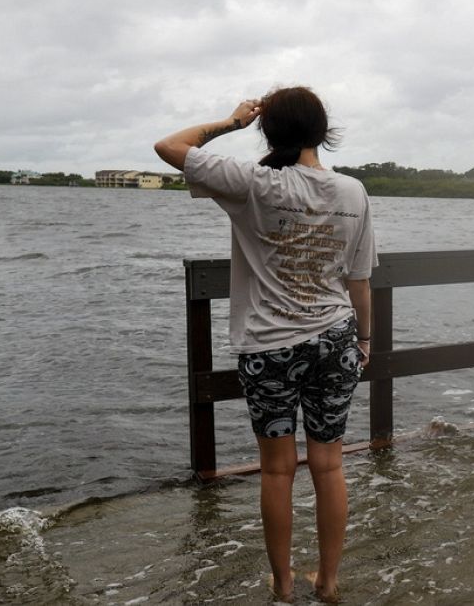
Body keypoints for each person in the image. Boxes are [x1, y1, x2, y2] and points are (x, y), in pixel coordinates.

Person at [154, 86, 376, 602]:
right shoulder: (353, 192)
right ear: (322, 132)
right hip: (337, 338)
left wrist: (232, 123)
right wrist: (364, 339)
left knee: (277, 470)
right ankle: (329, 580)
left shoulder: (254, 184)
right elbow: (360, 280)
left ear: (269, 132)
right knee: (330, 464)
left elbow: (169, 146)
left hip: (270, 347)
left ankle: (282, 585)